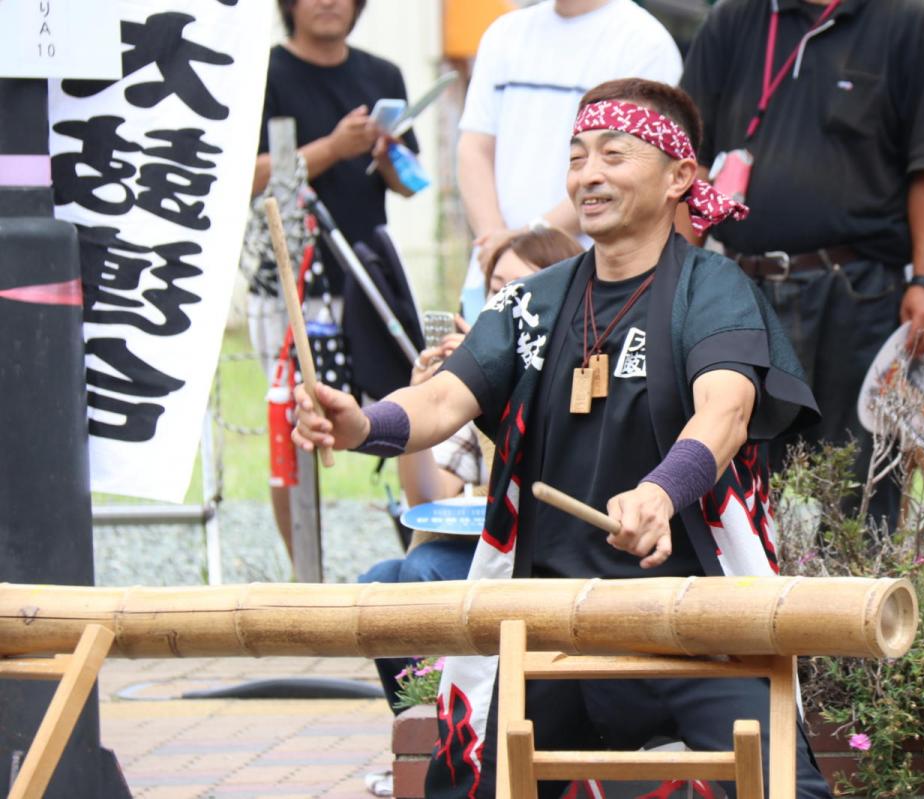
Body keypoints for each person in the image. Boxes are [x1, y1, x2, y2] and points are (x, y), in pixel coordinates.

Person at [294, 78, 831, 799]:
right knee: (468, 786)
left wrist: (661, 492)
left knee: (784, 789)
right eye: (577, 156)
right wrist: (362, 424)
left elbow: (725, 409)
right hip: (555, 618)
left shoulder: (714, 289)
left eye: (614, 153)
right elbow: (445, 396)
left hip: (695, 616)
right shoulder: (532, 302)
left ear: (680, 176)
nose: (589, 174)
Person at [679, 0, 924, 530]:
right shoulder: (732, 19)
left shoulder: (909, 22)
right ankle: (740, 604)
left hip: (857, 290)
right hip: (738, 287)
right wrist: (676, 278)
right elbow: (686, 162)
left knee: (862, 475)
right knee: (736, 463)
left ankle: (857, 603)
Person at [359, 226, 585, 718]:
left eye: (517, 290)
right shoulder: (469, 377)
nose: (501, 302)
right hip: (482, 550)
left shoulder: (578, 366)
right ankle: (419, 729)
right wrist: (419, 402)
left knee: (423, 572)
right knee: (376, 583)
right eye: (494, 289)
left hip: (542, 559)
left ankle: (464, 728)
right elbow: (426, 500)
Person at [249, 0, 421, 560]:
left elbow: (410, 183)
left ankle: (426, 552)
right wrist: (331, 148)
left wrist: (386, 153)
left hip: (370, 271)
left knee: (404, 399)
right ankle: (306, 571)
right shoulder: (263, 70)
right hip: (292, 275)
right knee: (298, 416)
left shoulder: (381, 74)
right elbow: (243, 176)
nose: (330, 3)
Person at [455, 0, 681, 322]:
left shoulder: (644, 42)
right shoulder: (504, 33)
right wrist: (497, 245)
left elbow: (627, 171)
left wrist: (527, 239)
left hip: (589, 281)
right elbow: (474, 147)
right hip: (495, 277)